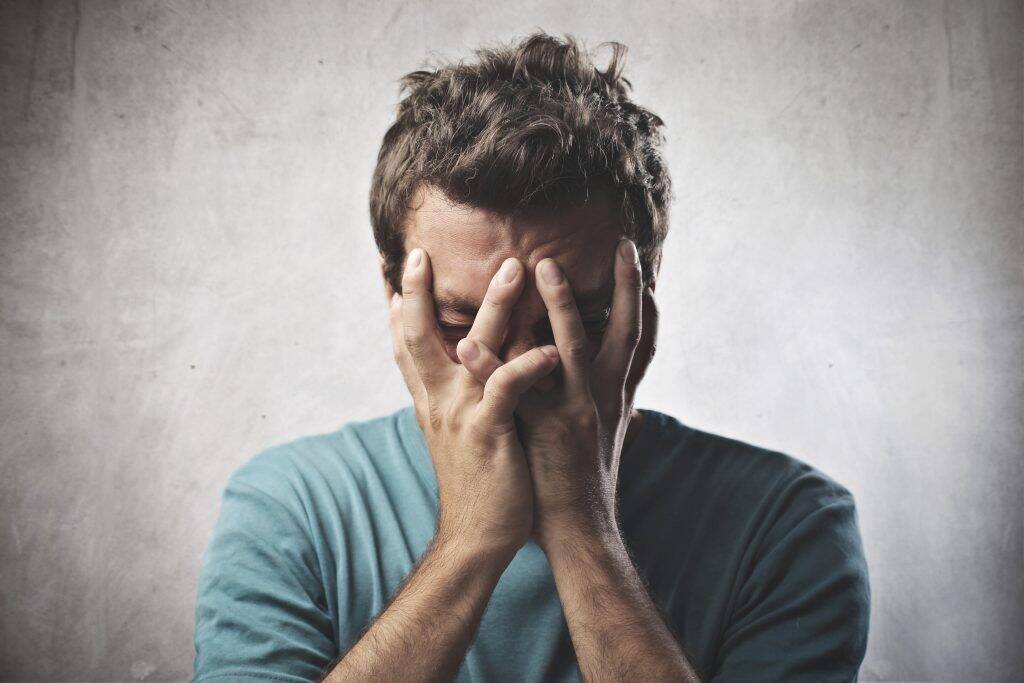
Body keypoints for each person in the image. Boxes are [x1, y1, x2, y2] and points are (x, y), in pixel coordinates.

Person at [191, 32, 870, 682]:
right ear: (393, 293)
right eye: (463, 318)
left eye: (574, 318)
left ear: (646, 292)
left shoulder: (789, 523)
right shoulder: (293, 507)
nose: (516, 366)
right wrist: (466, 544)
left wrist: (584, 527)